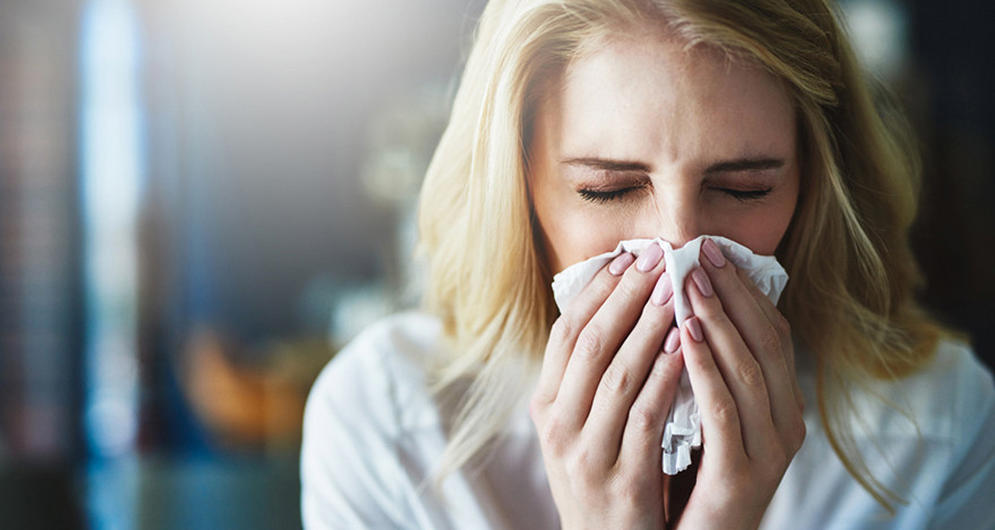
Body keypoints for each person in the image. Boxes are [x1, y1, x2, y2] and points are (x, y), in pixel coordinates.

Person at [300, 0, 995, 528]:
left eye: (741, 188)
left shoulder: (933, 431)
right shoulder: (389, 428)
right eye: (607, 189)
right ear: (516, 189)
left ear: (813, 186)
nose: (677, 251)